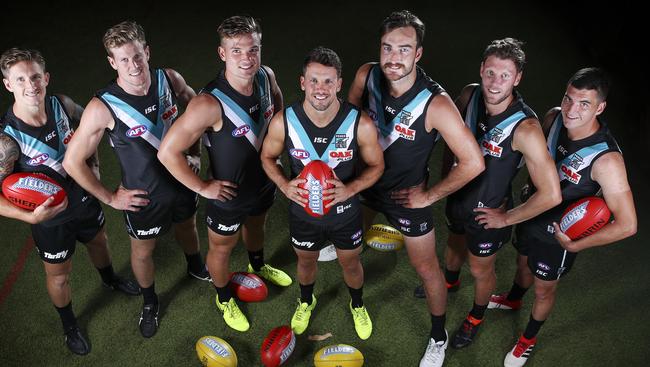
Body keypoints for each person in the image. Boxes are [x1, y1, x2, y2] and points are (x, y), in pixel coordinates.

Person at [347, 10, 485, 366]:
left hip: (406, 196)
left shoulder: (435, 103)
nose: (394, 58)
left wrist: (429, 195)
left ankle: (437, 337)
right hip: (367, 182)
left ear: (418, 54)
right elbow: (345, 121)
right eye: (388, 48)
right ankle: (350, 255)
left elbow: (473, 161)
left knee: (426, 269)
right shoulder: (367, 75)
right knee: (349, 239)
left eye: (404, 49)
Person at [62, 21, 210, 339]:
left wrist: (195, 153)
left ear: (147, 51)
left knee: (188, 226)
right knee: (143, 252)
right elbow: (72, 162)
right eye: (123, 59)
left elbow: (198, 111)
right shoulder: (102, 107)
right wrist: (111, 197)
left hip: (183, 183)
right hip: (144, 198)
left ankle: (196, 264)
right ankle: (150, 301)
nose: (133, 65)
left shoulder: (169, 79)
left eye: (137, 56)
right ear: (112, 63)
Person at [415, 38, 562, 350]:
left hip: (488, 212)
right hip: (458, 199)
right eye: (491, 72)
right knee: (453, 245)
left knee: (481, 269)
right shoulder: (469, 95)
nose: (496, 82)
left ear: (517, 78)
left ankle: (475, 317)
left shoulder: (526, 128)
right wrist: (446, 179)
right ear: (482, 69)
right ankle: (450, 282)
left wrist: (506, 217)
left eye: (505, 75)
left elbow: (551, 194)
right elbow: (448, 140)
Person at [488, 68, 637, 367]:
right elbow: (538, 157)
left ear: (600, 108)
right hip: (531, 212)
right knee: (522, 262)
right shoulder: (554, 117)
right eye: (569, 98)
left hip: (558, 236)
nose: (572, 109)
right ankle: (515, 297)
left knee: (544, 288)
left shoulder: (607, 160)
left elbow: (628, 225)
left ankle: (528, 340)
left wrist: (575, 245)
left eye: (584, 104)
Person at [0, 48, 140, 355]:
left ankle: (111, 279)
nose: (31, 85)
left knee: (100, 242)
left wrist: (95, 166)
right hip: (50, 219)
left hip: (85, 198)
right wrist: (30, 218)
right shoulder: (7, 140)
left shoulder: (61, 104)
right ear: (8, 84)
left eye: (36, 76)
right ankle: (69, 325)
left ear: (46, 77)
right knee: (59, 274)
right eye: (20, 79)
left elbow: (91, 127)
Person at [157, 15, 291, 333]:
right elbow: (167, 153)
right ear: (222, 54)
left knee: (258, 227)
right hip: (228, 196)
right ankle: (223, 297)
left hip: (264, 184)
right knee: (220, 249)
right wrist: (203, 188)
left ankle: (257, 265)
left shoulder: (265, 76)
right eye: (237, 51)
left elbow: (279, 106)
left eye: (253, 49)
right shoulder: (208, 103)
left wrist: (277, 149)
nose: (247, 59)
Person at [261, 46, 384, 340]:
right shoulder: (284, 121)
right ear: (302, 82)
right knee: (306, 261)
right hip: (303, 212)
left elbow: (377, 165)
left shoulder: (359, 123)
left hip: (345, 214)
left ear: (339, 84)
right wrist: (284, 185)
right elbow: (267, 158)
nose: (321, 89)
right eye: (314, 80)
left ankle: (357, 304)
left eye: (328, 81)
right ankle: (306, 300)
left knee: (351, 262)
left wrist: (351, 189)